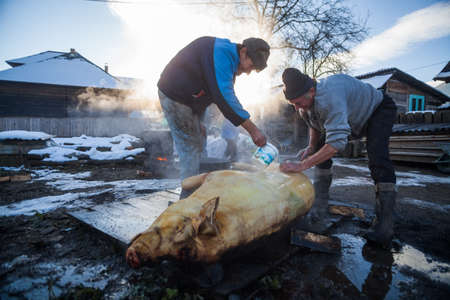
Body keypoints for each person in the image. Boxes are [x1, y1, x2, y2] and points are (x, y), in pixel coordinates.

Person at [280, 68, 398, 248]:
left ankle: (385, 225)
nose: (296, 107)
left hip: (378, 109)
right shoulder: (304, 102)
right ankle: (319, 205)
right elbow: (315, 125)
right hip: (354, 117)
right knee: (319, 148)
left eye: (297, 102)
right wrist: (311, 147)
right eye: (292, 103)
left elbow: (337, 144)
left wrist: (302, 165)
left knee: (377, 157)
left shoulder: (330, 98)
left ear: (311, 91)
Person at [158, 36, 270, 199]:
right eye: (250, 66)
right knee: (190, 146)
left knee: (199, 141)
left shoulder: (228, 60)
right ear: (244, 51)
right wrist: (253, 130)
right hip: (174, 96)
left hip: (191, 101)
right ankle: (187, 202)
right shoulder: (222, 54)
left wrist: (199, 122)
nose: (247, 72)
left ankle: (201, 191)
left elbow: (210, 94)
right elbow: (224, 97)